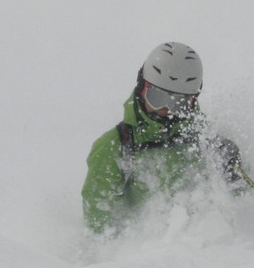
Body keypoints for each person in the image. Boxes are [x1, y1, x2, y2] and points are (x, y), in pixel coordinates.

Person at [82, 41, 242, 233]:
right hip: (147, 247)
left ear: (192, 101)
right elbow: (98, 225)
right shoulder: (115, 146)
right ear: (142, 87)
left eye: (179, 103)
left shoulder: (205, 138)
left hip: (205, 245)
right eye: (157, 97)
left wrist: (234, 170)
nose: (166, 109)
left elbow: (242, 205)